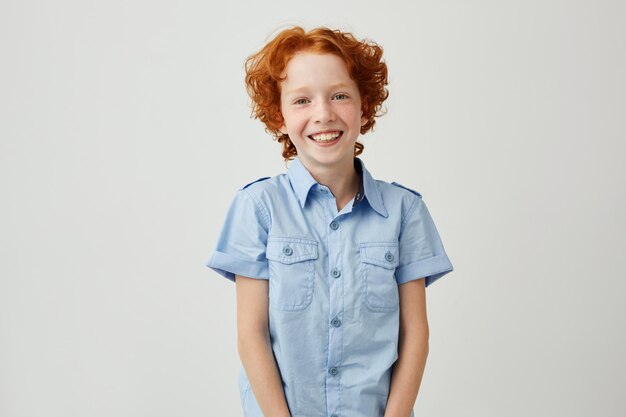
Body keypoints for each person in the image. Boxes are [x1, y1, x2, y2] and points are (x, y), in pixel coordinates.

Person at [206, 26, 454, 417]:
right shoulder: (258, 206)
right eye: (302, 100)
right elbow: (251, 334)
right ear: (279, 116)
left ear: (364, 106)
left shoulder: (405, 211)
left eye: (340, 95)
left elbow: (415, 333)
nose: (323, 114)